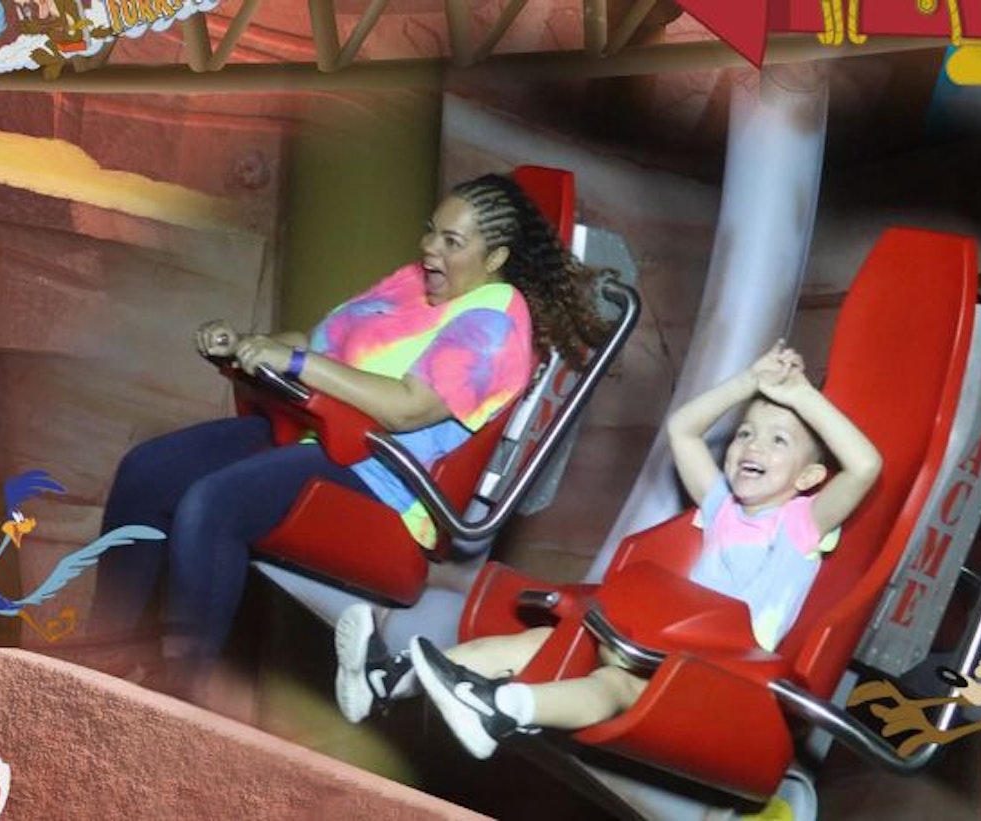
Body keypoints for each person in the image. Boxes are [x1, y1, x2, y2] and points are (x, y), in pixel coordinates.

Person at [91, 172, 609, 694]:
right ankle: (100, 659)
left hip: (384, 478)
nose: (429, 248)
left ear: (495, 259)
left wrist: (295, 359)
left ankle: (175, 696)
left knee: (213, 503)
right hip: (316, 432)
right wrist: (250, 344)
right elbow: (320, 345)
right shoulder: (416, 282)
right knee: (148, 471)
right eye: (432, 231)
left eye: (451, 242)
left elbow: (405, 409)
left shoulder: (495, 322)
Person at [335, 342, 881, 759]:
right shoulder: (722, 508)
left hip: (726, 668)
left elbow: (865, 466)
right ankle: (389, 680)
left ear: (809, 476)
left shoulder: (801, 523)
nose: (752, 447)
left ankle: (498, 712)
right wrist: (748, 382)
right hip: (668, 637)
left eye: (777, 440)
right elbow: (683, 430)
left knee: (614, 686)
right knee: (542, 643)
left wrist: (797, 394)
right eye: (744, 434)